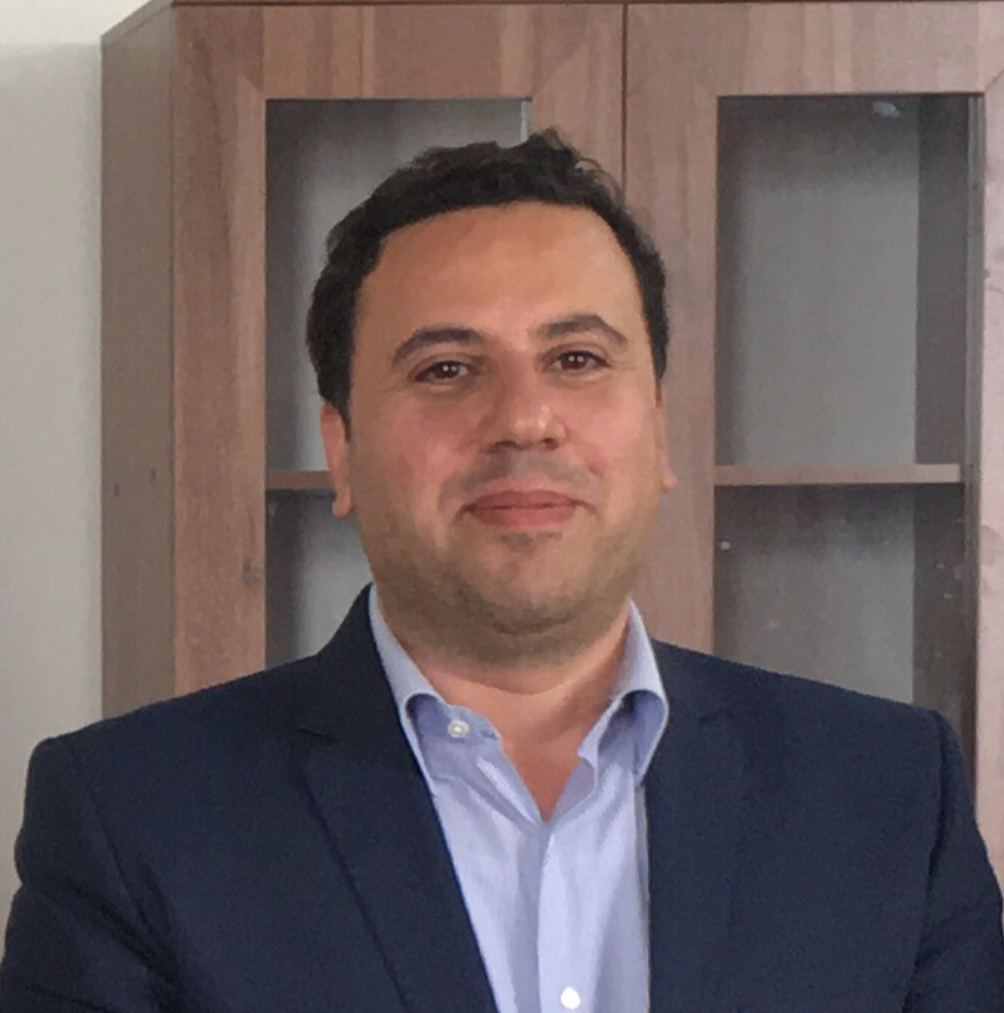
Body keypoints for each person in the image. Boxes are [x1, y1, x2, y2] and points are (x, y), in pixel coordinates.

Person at [1, 128, 1002, 1013]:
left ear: (659, 427)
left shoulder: (887, 791)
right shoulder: (134, 816)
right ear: (341, 449)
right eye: (446, 369)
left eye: (577, 359)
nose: (524, 418)